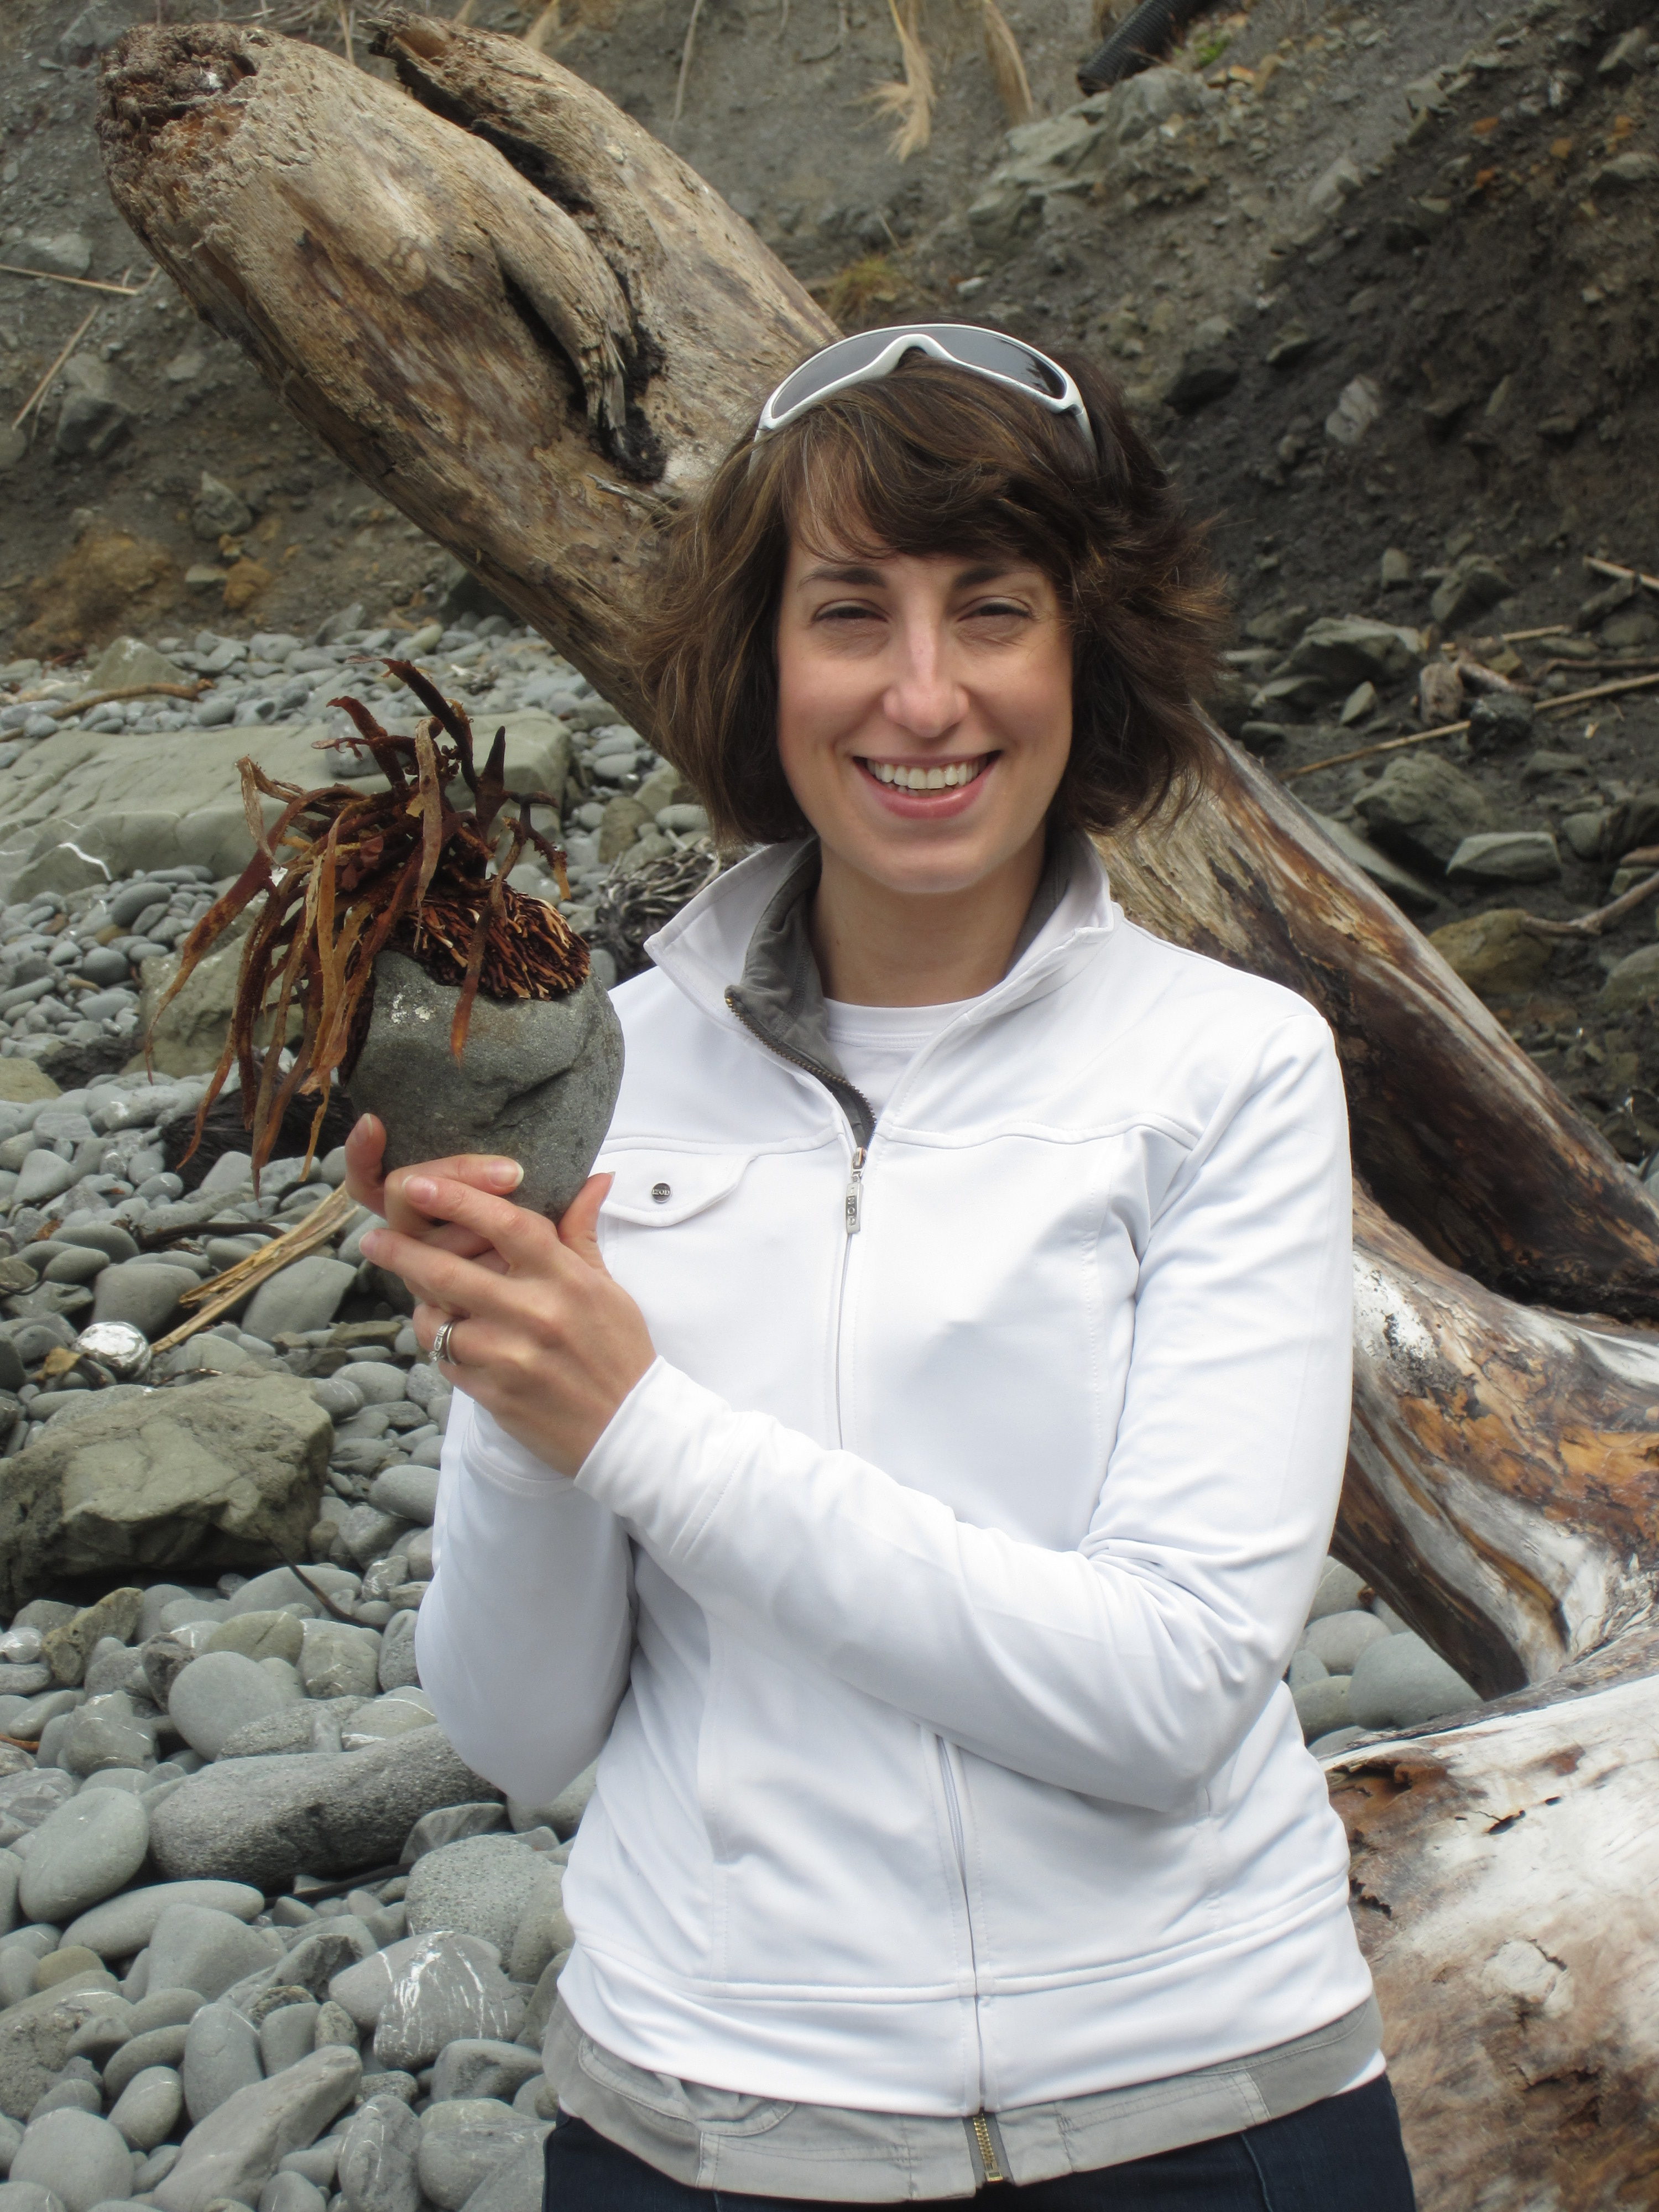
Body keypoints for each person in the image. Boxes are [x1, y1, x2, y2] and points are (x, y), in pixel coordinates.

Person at [346, 325, 1418, 2212]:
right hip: (705, 2114)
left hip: (1206, 2103)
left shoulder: (1229, 1068)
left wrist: (637, 1421)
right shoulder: (610, 1072)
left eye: (992, 609)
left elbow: (1168, 1691)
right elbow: (518, 1731)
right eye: (851, 614)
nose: (924, 697)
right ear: (762, 662)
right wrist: (520, 1384)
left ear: (1089, 650)